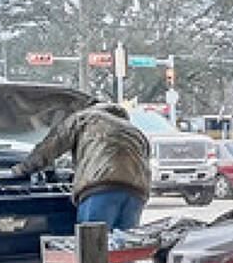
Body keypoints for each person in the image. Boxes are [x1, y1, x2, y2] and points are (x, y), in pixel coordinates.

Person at [23, 97, 155, 234]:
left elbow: (51, 147)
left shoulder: (84, 117)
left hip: (101, 186)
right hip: (136, 193)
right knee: (125, 242)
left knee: (91, 241)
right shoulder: (135, 131)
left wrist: (21, 169)